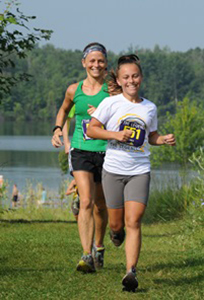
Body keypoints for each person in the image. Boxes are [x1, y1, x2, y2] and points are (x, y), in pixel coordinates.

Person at [87, 54, 176, 291]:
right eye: (126, 77)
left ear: (141, 78)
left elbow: (151, 136)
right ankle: (115, 235)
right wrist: (115, 135)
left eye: (135, 76)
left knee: (133, 220)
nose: (131, 81)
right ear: (119, 78)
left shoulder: (150, 107)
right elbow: (93, 130)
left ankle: (130, 272)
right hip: (113, 170)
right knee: (117, 225)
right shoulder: (110, 103)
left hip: (140, 170)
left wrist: (163, 139)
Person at [52, 42, 109, 272]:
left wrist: (104, 115)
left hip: (107, 151)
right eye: (92, 60)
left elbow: (126, 113)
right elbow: (64, 110)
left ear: (106, 64)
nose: (96, 64)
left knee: (101, 205)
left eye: (100, 60)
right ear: (84, 63)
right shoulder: (73, 90)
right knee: (85, 201)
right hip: (80, 149)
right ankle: (86, 255)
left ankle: (99, 246)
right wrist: (57, 129)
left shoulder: (113, 89)